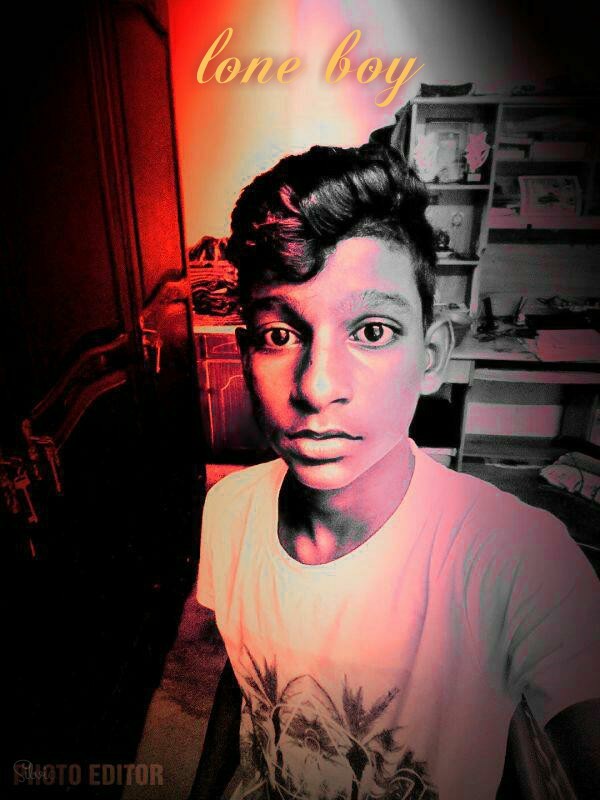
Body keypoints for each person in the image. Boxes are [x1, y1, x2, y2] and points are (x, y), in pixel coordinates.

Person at [189, 144, 600, 800]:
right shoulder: (229, 509)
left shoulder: (516, 557)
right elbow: (244, 682)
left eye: (372, 331)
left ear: (430, 356)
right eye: (279, 335)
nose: (318, 387)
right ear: (245, 356)